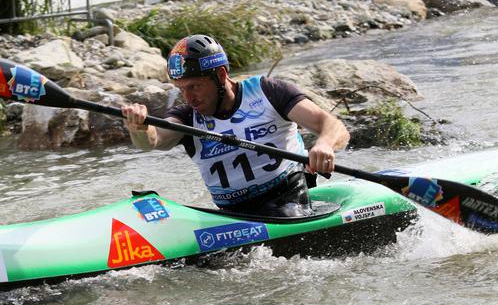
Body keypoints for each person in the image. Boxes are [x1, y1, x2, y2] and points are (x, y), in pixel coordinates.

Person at [121, 34, 350, 218]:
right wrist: (139, 128)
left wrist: (324, 144)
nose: (189, 97)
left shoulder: (267, 92)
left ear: (221, 75)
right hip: (231, 215)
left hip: (288, 201)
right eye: (181, 89)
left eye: (195, 86)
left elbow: (332, 126)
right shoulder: (187, 116)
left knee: (283, 212)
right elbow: (154, 139)